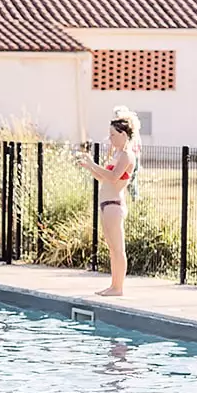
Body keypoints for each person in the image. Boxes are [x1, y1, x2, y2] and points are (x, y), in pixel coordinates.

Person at [74, 106, 141, 297]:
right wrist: (89, 167)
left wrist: (94, 164)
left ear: (123, 134)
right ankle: (113, 285)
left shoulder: (127, 155)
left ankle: (118, 288)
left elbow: (113, 176)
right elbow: (103, 178)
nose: (110, 138)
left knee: (118, 248)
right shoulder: (116, 155)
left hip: (114, 205)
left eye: (113, 135)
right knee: (112, 248)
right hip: (106, 204)